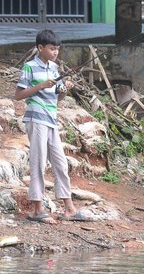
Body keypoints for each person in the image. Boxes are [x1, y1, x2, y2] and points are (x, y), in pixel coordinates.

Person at [15, 29, 91, 224]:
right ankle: (37, 209)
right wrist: (41, 85)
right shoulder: (30, 67)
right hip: (36, 118)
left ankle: (69, 208)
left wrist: (64, 89)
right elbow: (19, 95)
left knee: (60, 163)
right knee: (38, 163)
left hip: (51, 119)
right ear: (40, 48)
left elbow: (58, 99)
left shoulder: (54, 68)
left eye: (57, 49)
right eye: (52, 49)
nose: (55, 52)